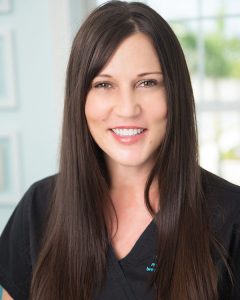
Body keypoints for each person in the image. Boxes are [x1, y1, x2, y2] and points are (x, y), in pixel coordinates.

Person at [0, 1, 240, 299]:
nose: (127, 109)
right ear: (80, 98)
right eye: (104, 85)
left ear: (175, 92)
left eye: (147, 82)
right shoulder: (38, 209)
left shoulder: (232, 217)